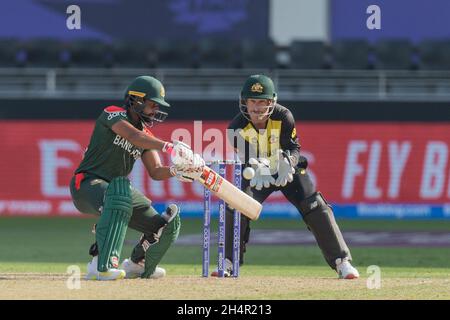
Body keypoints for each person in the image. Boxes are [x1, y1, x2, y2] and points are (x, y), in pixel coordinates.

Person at [220, 74, 359, 279]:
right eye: (252, 101)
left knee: (315, 205)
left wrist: (288, 162)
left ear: (271, 102)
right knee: (236, 205)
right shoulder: (235, 128)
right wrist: (261, 165)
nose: (257, 108)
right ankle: (228, 262)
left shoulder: (284, 116)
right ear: (244, 103)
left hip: (287, 170)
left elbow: (294, 148)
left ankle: (342, 262)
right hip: (258, 171)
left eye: (262, 102)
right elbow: (249, 158)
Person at [69, 75, 204, 280]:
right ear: (136, 99)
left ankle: (136, 263)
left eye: (157, 107)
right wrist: (169, 146)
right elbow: (133, 136)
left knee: (162, 225)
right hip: (87, 185)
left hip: (116, 191)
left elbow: (156, 171)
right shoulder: (112, 114)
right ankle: (100, 265)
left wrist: (177, 171)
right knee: (118, 196)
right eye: (152, 105)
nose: (155, 111)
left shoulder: (146, 134)